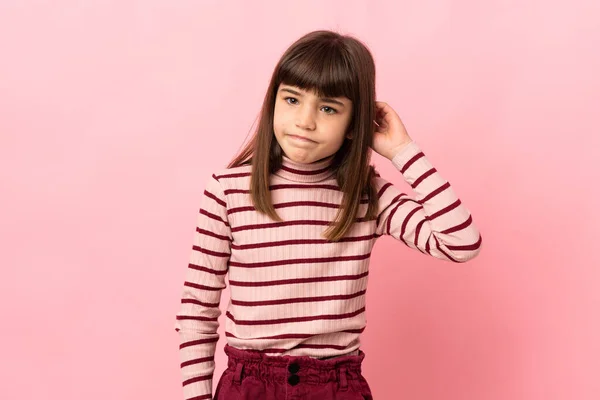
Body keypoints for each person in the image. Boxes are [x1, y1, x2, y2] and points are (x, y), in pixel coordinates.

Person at [174, 29, 482, 400]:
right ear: (273, 102)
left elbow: (461, 242)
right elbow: (198, 309)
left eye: (328, 108)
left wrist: (401, 150)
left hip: (336, 386)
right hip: (248, 384)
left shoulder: (368, 196)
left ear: (355, 126)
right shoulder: (227, 190)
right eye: (291, 99)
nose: (305, 120)